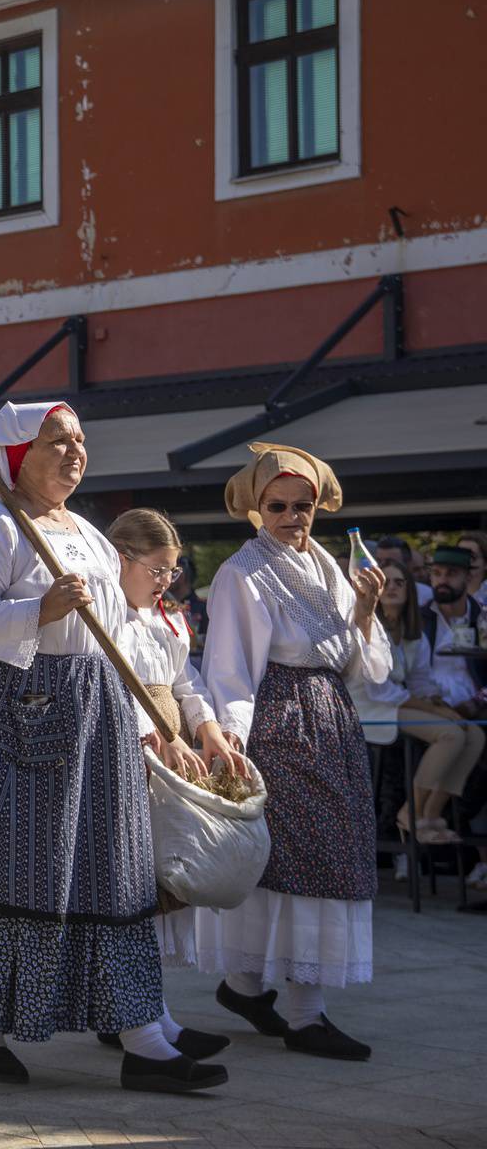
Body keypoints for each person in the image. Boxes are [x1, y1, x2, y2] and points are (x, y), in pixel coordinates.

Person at [0, 403, 225, 1095]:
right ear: (18, 453)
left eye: (81, 440)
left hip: (94, 715)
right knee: (14, 871)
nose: (74, 452)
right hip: (12, 717)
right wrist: (41, 611)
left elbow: (118, 628)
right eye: (58, 441)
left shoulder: (87, 533)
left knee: (107, 870)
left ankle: (141, 1029)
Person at [199, 442, 387, 1062]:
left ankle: (244, 987)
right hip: (281, 722)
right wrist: (233, 744)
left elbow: (366, 671)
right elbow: (228, 666)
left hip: (331, 719)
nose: (291, 516)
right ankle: (306, 1015)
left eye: (302, 506)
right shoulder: (242, 571)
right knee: (298, 859)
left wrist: (363, 609)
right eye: (277, 505)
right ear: (256, 508)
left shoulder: (330, 568)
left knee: (322, 856)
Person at [104, 507, 243, 1061]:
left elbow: (185, 680)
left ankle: (153, 1018)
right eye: (156, 569)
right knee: (138, 882)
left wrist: (206, 728)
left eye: (171, 571)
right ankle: (140, 1022)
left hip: (171, 750)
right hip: (129, 750)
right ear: (122, 560)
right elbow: (113, 684)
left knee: (163, 883)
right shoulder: (106, 618)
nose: (165, 581)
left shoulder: (167, 618)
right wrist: (157, 735)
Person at [362, 560, 478, 845]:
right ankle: (409, 813)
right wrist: (434, 710)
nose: (391, 588)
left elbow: (421, 682)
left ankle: (430, 814)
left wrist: (442, 704)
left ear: (410, 590)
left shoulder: (413, 634)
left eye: (399, 582)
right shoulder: (368, 627)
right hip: (372, 707)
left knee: (473, 734)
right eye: (385, 581)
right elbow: (381, 689)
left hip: (398, 703)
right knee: (449, 734)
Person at [419, 545, 486, 718]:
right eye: (437, 573)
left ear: (468, 577)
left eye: (451, 573)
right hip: (429, 707)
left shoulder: (482, 618)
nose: (442, 580)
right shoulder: (419, 618)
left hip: (478, 708)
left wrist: (479, 701)